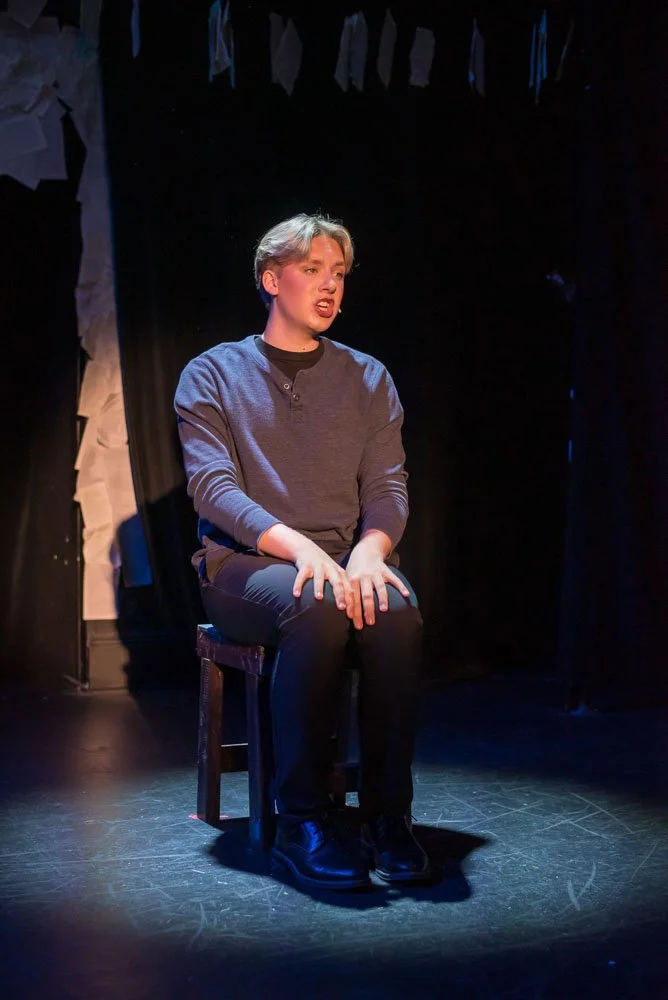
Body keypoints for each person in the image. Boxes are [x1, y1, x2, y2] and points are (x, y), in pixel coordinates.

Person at [174, 212, 430, 890]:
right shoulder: (213, 373)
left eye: (338, 275)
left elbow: (387, 486)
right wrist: (297, 551)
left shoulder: (368, 377)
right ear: (271, 279)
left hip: (346, 556)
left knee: (397, 614)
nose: (328, 287)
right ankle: (303, 820)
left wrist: (372, 553)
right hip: (245, 564)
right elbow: (213, 489)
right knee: (314, 605)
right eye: (312, 270)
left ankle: (386, 816)